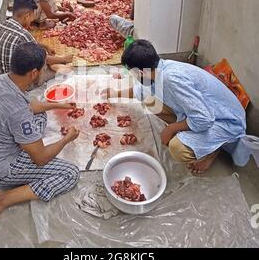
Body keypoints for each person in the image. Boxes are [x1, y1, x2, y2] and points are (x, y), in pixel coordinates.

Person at [0, 43, 80, 242]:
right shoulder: (17, 111)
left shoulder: (0, 80)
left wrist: (59, 104)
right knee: (70, 173)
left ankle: (27, 143)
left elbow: (31, 106)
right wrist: (67, 139)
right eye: (44, 68)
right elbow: (40, 158)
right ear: (33, 73)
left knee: (41, 115)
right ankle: (4, 199)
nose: (45, 72)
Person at [102, 40, 247, 175]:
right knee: (150, 100)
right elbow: (141, 91)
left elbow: (205, 119)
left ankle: (213, 151)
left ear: (141, 72)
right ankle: (190, 134)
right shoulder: (155, 71)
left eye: (132, 72)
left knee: (177, 149)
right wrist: (115, 93)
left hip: (225, 121)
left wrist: (171, 128)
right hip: (204, 112)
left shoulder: (171, 79)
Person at [0, 0, 73, 82]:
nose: (32, 21)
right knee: (57, 67)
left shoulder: (2, 25)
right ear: (27, 16)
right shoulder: (23, 35)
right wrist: (64, 59)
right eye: (32, 17)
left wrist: (44, 46)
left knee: (49, 60)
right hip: (16, 82)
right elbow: (44, 59)